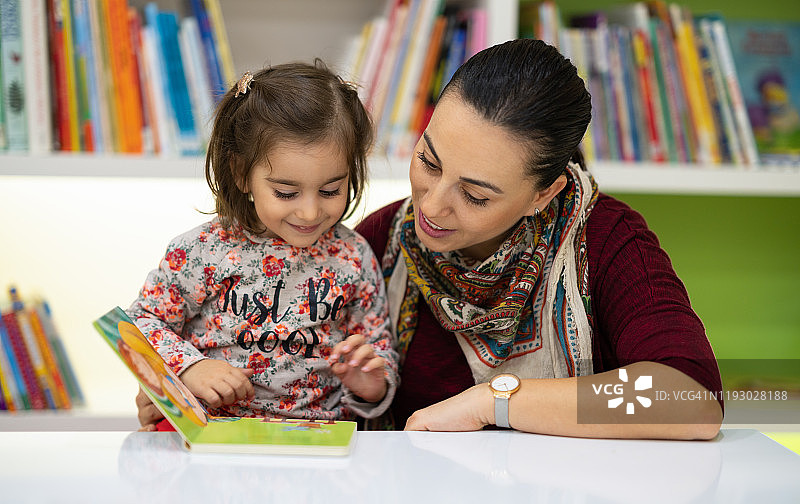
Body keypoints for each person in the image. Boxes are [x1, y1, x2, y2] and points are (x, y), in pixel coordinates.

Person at [139, 40, 723, 440]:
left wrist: (496, 401)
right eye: (428, 160)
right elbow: (321, 396)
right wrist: (179, 387)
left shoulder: (606, 242)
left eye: (476, 195)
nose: (432, 205)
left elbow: (688, 399)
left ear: (543, 194)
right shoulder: (377, 243)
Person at [129, 62, 399, 427]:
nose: (310, 211)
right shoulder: (202, 251)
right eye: (286, 192)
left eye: (331, 190)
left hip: (317, 440)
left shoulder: (353, 257)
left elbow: (379, 348)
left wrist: (373, 385)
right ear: (241, 173)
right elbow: (139, 324)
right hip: (214, 434)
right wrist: (191, 367)